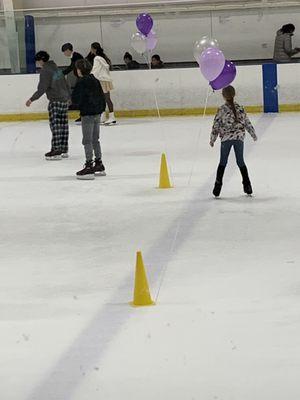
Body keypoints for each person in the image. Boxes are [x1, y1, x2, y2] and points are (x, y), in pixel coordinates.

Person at [210, 86, 257, 197]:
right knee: (240, 162)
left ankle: (217, 187)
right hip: (239, 138)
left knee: (223, 162)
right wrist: (253, 133)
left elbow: (216, 125)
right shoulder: (240, 108)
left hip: (226, 139)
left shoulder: (221, 109)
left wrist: (212, 139)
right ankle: (247, 186)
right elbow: (247, 122)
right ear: (234, 94)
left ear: (223, 96)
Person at [26, 51, 71, 160]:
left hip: (55, 101)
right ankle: (63, 149)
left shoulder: (45, 71)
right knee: (63, 125)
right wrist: (69, 97)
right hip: (64, 100)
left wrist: (32, 99)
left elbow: (42, 88)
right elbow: (65, 84)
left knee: (55, 126)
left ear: (41, 60)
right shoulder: (56, 69)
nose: (38, 63)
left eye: (38, 61)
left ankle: (56, 150)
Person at [72, 59, 106, 180]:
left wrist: (74, 105)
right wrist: (101, 109)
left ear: (79, 70)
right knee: (95, 139)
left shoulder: (81, 82)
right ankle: (99, 163)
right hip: (97, 113)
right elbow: (102, 96)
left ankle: (88, 165)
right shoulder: (95, 80)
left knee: (87, 140)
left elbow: (76, 99)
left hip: (87, 114)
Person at [90, 42, 116, 125]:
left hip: (102, 80)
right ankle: (103, 116)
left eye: (91, 48)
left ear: (94, 49)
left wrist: (90, 76)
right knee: (104, 99)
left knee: (106, 98)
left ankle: (112, 117)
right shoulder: (101, 57)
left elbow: (95, 70)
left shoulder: (97, 58)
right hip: (104, 79)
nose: (90, 50)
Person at [61, 43, 84, 124]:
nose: (64, 54)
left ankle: (83, 116)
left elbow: (72, 67)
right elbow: (72, 66)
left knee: (80, 97)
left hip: (83, 79)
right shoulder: (74, 56)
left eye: (64, 52)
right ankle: (82, 115)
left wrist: (62, 73)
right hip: (80, 78)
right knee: (79, 96)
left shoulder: (76, 56)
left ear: (68, 50)